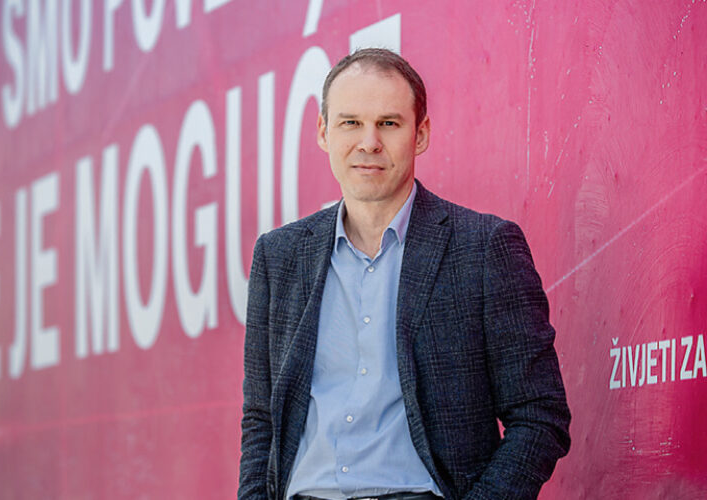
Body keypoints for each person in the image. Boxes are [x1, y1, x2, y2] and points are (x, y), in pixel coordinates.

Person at [238, 48, 570, 500]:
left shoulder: (482, 248)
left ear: (421, 134)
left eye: (388, 123)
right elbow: (262, 419)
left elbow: (539, 414)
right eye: (350, 122)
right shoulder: (279, 257)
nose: (369, 142)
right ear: (323, 132)